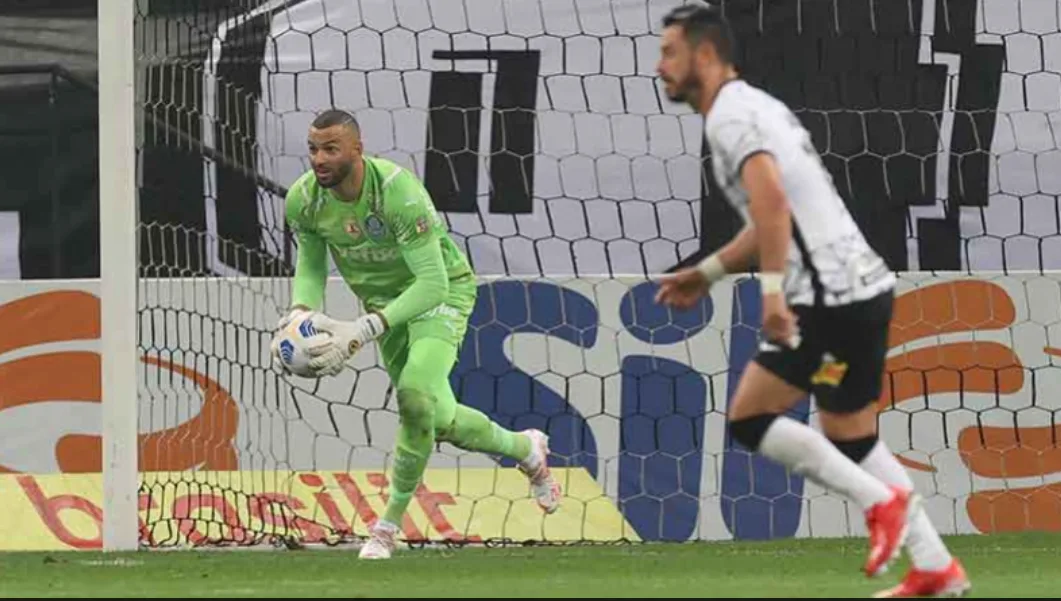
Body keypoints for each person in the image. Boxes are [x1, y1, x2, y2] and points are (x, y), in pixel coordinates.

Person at [653, 4, 970, 597]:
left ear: (703, 55)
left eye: (669, 52)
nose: (660, 65)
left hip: (829, 297)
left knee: (750, 416)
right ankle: (936, 569)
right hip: (858, 288)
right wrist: (710, 270)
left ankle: (883, 503)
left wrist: (773, 296)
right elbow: (770, 215)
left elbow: (774, 205)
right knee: (849, 429)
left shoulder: (729, 118)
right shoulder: (754, 105)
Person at [271, 108, 561, 560]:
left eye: (330, 148)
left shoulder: (397, 192)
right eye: (313, 149)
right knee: (436, 418)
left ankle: (386, 526)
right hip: (385, 310)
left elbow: (432, 283)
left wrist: (364, 329)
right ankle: (525, 447)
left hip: (439, 296)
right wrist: (299, 313)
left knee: (413, 395)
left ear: (356, 149)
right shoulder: (304, 200)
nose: (319, 159)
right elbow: (309, 264)